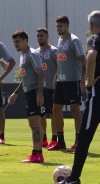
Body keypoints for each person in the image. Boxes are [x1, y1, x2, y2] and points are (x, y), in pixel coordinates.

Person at [59, 10, 100, 184]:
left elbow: (91, 57)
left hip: (97, 97)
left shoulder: (94, 39)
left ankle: (73, 179)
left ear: (91, 24)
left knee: (83, 139)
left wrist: (89, 81)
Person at [47, 16, 86, 152]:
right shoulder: (59, 40)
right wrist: (57, 75)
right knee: (56, 109)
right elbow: (61, 60)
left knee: (75, 109)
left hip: (73, 81)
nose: (58, 28)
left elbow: (83, 60)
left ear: (67, 26)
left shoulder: (74, 40)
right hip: (61, 81)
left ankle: (78, 142)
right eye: (57, 26)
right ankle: (61, 141)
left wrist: (83, 79)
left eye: (61, 26)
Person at [8, 30, 45, 163]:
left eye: (17, 41)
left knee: (34, 124)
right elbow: (25, 79)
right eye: (14, 42)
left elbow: (41, 75)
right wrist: (16, 93)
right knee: (35, 125)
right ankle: (37, 153)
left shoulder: (32, 54)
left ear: (25, 41)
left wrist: (40, 94)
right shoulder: (23, 55)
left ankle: (37, 155)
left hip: (34, 92)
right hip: (29, 91)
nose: (15, 44)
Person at [35, 27, 58, 148]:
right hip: (40, 89)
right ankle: (44, 139)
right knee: (41, 114)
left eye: (41, 35)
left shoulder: (54, 51)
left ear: (47, 36)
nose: (39, 38)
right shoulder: (36, 52)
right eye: (38, 36)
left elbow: (60, 67)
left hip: (52, 88)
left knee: (53, 113)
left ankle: (54, 138)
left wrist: (56, 78)